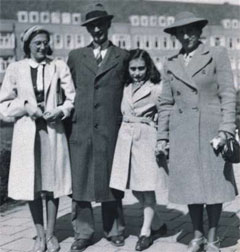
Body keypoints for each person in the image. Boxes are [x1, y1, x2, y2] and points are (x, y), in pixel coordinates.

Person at [156, 11, 238, 252]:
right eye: (180, 31)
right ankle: (197, 235)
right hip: (183, 132)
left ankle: (212, 237)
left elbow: (228, 93)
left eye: (190, 29)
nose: (186, 35)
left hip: (212, 131)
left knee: (213, 185)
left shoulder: (216, 54)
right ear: (175, 36)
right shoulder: (170, 64)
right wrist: (162, 136)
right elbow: (165, 103)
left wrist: (226, 129)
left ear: (199, 31)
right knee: (191, 186)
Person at [0, 25, 75, 252]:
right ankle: (39, 235)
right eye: (37, 43)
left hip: (52, 131)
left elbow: (72, 98)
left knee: (52, 184)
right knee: (31, 185)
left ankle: (52, 235)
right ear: (28, 46)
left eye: (45, 42)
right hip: (28, 133)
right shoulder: (16, 68)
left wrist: (60, 110)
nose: (42, 46)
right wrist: (25, 106)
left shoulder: (58, 66)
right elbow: (3, 104)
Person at [66, 3, 129, 252]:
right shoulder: (75, 56)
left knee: (110, 179)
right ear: (87, 29)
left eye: (100, 24)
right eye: (91, 26)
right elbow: (66, 90)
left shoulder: (122, 57)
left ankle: (114, 230)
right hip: (80, 128)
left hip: (110, 129)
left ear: (108, 25)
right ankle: (83, 233)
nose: (96, 29)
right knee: (80, 180)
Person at [109, 49, 167, 251]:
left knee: (146, 186)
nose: (137, 73)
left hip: (145, 138)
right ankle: (158, 224)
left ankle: (145, 232)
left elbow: (165, 114)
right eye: (133, 68)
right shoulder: (124, 87)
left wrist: (163, 139)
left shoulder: (156, 88)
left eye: (141, 68)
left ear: (148, 67)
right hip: (125, 140)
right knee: (134, 187)